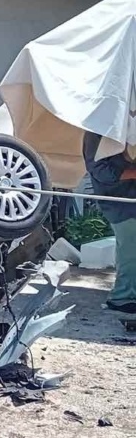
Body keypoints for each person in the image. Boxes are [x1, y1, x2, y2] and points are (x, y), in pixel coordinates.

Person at [82, 130, 136, 314]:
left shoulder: (125, 124)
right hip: (118, 200)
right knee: (130, 248)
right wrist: (132, 173)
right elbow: (98, 169)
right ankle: (123, 297)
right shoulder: (98, 129)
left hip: (128, 197)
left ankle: (125, 295)